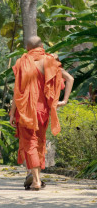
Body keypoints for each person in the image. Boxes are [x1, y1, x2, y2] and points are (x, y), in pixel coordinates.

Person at [9, 36, 74, 191]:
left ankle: (36, 181)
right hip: (43, 111)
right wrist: (64, 100)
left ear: (27, 48)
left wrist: (12, 113)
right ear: (42, 46)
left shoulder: (22, 62)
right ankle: (35, 176)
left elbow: (16, 91)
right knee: (39, 142)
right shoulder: (49, 61)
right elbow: (70, 79)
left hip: (25, 110)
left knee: (30, 143)